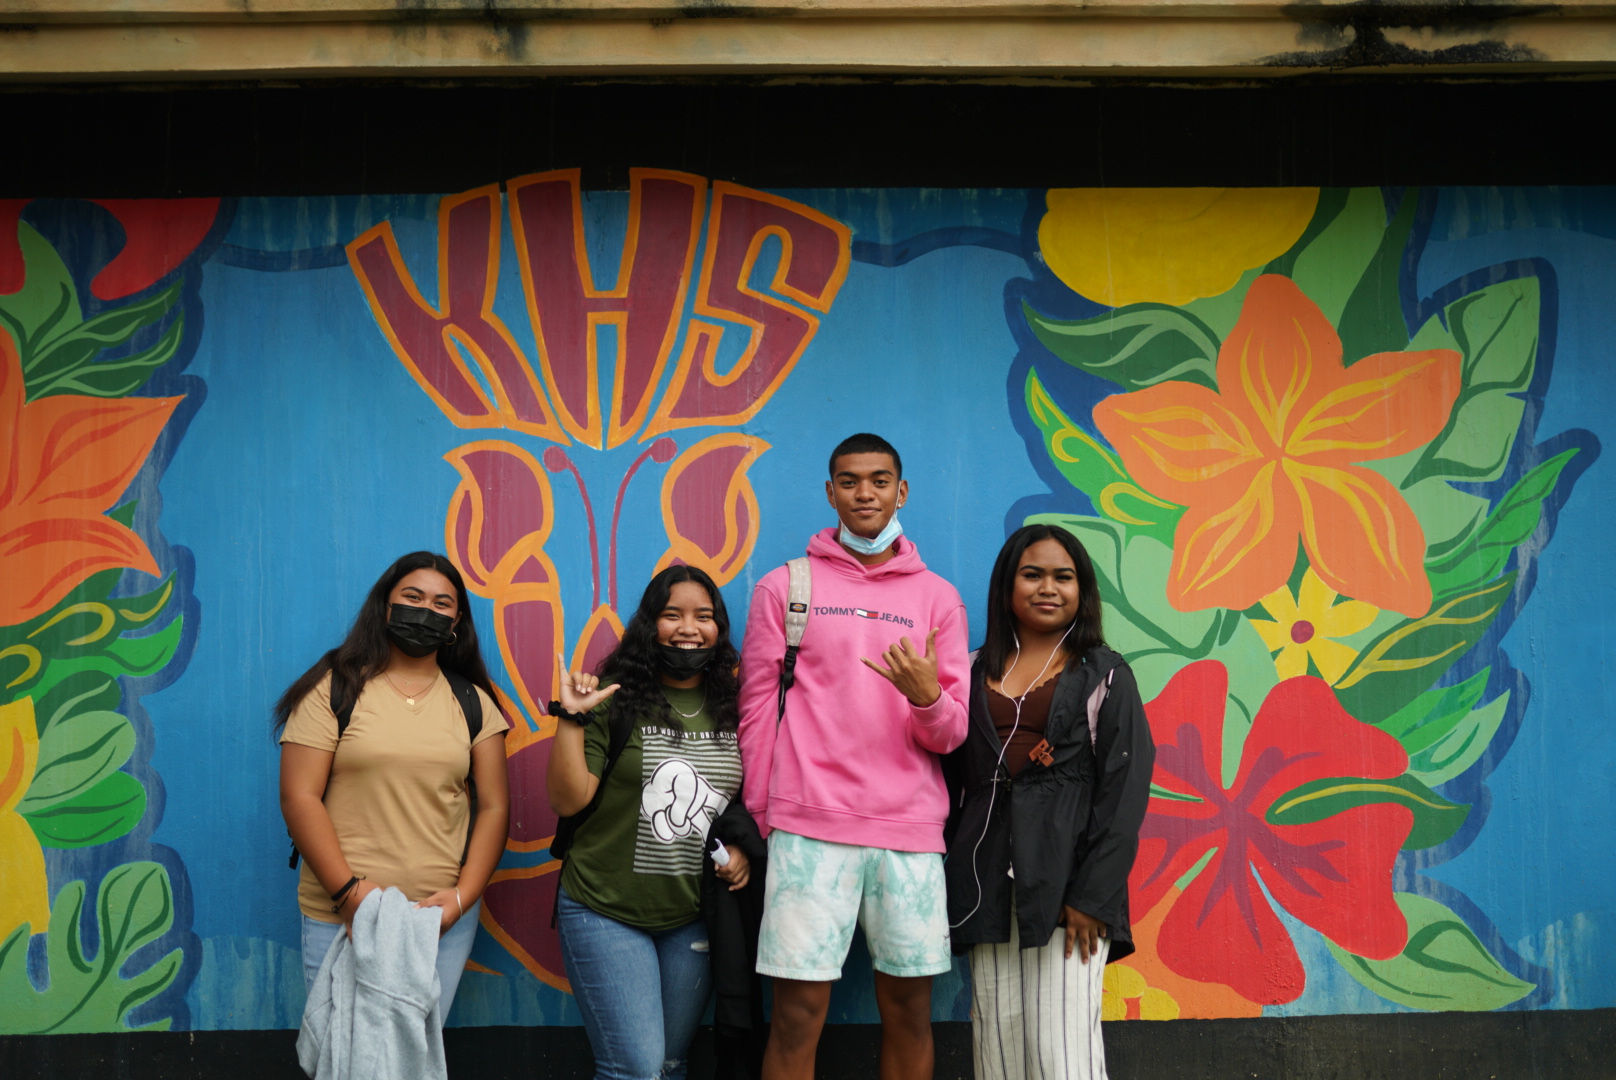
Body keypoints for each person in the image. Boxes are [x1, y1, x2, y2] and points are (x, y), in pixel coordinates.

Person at [738, 433, 971, 1080]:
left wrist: (926, 699)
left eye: (879, 480)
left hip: (910, 838)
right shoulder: (787, 587)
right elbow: (755, 712)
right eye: (849, 481)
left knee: (909, 1013)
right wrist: (765, 815)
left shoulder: (938, 599)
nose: (864, 493)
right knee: (795, 1016)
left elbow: (952, 734)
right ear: (830, 492)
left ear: (902, 491)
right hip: (808, 831)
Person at [944, 524, 1154, 1080]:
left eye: (1064, 577)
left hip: (1070, 888)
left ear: (1082, 590)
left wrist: (1093, 897)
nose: (1048, 588)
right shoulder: (967, 671)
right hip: (985, 883)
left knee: (1062, 1055)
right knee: (998, 1048)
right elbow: (946, 781)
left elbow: (1124, 794)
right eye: (1032, 574)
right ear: (1006, 586)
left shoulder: (1106, 674)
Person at [277, 551, 511, 1016]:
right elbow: (298, 796)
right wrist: (349, 896)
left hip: (437, 921)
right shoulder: (335, 688)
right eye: (413, 597)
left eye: (442, 604)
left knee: (419, 1050)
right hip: (340, 914)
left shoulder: (473, 702)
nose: (426, 611)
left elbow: (494, 807)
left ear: (456, 622)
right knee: (341, 1050)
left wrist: (461, 898)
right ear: (385, 606)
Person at [548, 564, 753, 1080]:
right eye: (672, 615)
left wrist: (744, 850)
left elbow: (746, 802)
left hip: (692, 916)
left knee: (670, 1065)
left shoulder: (737, 706)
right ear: (649, 625)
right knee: (635, 1069)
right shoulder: (614, 697)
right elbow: (568, 800)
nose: (689, 628)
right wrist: (572, 718)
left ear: (719, 628)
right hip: (604, 908)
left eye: (703, 616)